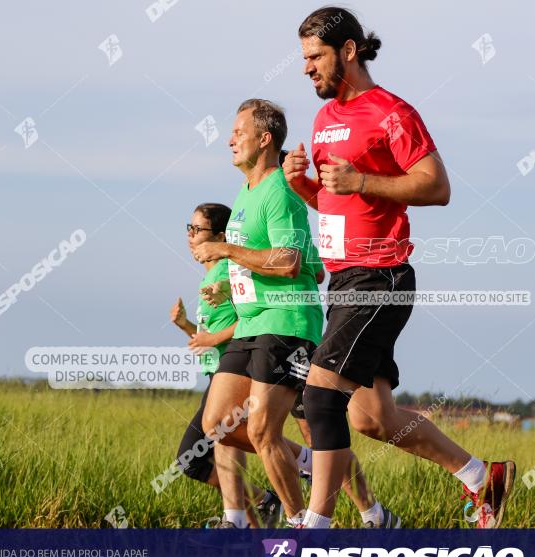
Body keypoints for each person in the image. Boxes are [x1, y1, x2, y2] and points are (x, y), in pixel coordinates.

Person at [282, 6, 514, 529]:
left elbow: (437, 186)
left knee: (319, 395)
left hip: (379, 277)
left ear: (348, 51)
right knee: (372, 418)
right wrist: (305, 188)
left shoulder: (392, 112)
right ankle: (482, 477)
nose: (306, 68)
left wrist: (363, 180)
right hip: (344, 281)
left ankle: (314, 528)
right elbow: (336, 201)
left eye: (314, 56)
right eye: (303, 58)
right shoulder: (324, 120)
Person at [195, 98, 394, 527]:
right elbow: (285, 261)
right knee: (218, 424)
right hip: (250, 324)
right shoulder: (246, 192)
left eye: (238, 131)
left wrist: (226, 249)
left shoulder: (281, 192)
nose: (229, 139)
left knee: (265, 431)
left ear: (264, 139)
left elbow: (288, 261)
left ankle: (300, 523)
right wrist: (228, 281)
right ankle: (310, 463)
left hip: (285, 322)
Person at [170, 202, 279, 528]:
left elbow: (247, 319)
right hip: (217, 373)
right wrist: (188, 327)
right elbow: (209, 336)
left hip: (234, 372)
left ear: (219, 236)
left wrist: (210, 338)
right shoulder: (212, 274)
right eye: (188, 229)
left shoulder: (227, 272)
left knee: (192, 458)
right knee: (221, 447)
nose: (191, 237)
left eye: (197, 230)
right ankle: (245, 527)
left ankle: (263, 500)